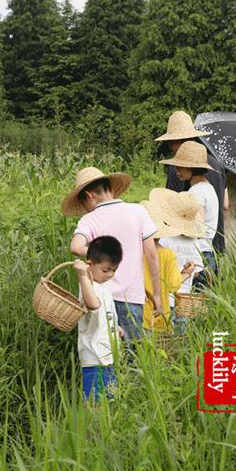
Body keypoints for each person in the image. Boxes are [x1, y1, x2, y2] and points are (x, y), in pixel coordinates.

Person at [63, 167, 161, 343]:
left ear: (89, 196)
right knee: (131, 353)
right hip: (132, 298)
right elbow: (152, 255)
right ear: (111, 190)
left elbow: (76, 247)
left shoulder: (89, 219)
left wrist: (101, 254)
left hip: (98, 297)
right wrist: (157, 294)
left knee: (102, 350)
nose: (85, 210)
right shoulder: (138, 211)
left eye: (83, 204)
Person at [156, 111, 227, 254]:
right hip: (216, 243)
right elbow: (225, 204)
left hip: (193, 249)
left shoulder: (178, 169)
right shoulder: (217, 164)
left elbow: (172, 212)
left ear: (172, 142)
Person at [140, 188, 202, 332]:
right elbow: (173, 285)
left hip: (138, 312)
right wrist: (187, 273)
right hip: (160, 311)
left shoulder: (134, 253)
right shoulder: (168, 254)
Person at [159, 142, 219, 290]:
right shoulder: (208, 188)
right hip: (207, 251)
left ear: (192, 168)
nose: (177, 171)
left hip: (198, 254)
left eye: (181, 167)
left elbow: (196, 227)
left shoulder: (196, 193)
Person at [73, 236, 124, 401]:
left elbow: (106, 314)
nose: (110, 275)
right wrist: (82, 276)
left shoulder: (104, 287)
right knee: (95, 402)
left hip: (109, 355)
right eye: (105, 270)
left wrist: (115, 328)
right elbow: (93, 305)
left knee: (110, 399)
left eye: (114, 270)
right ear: (90, 264)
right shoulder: (87, 285)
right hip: (94, 356)